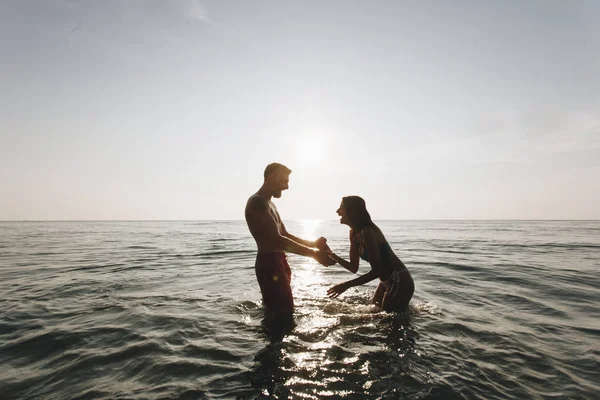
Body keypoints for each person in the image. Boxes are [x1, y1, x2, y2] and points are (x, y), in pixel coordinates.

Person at [245, 162, 335, 316]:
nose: (286, 187)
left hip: (279, 262)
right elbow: (277, 240)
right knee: (281, 313)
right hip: (269, 264)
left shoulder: (270, 204)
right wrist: (314, 254)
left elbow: (284, 234)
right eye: (284, 181)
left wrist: (313, 244)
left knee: (284, 311)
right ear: (272, 177)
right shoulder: (257, 203)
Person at [327, 196, 414, 312]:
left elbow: (377, 270)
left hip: (399, 281)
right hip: (385, 281)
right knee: (376, 312)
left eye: (341, 208)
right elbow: (354, 267)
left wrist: (346, 285)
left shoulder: (367, 231)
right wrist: (332, 255)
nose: (337, 212)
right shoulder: (353, 234)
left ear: (352, 211)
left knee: (387, 322)